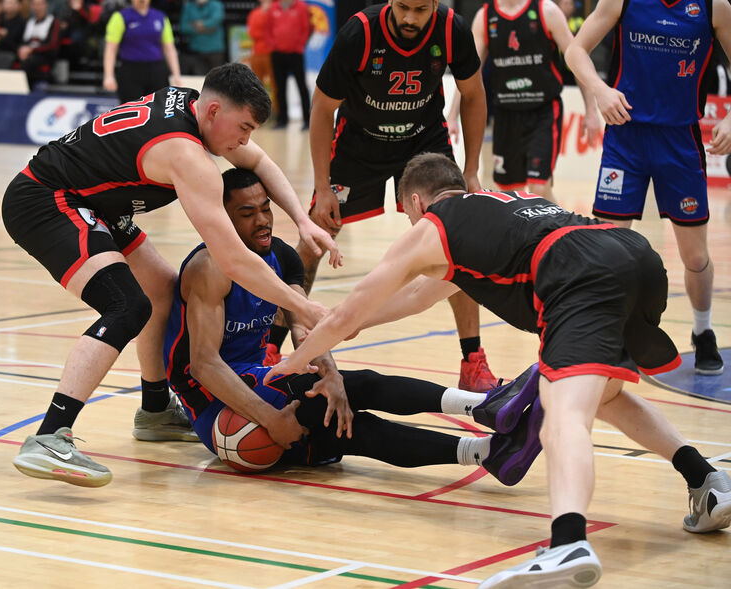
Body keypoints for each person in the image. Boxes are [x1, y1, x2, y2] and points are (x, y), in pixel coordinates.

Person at [265, 152, 731, 588]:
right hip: (632, 256)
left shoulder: (432, 226)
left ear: (416, 202)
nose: (412, 223)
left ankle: (568, 543)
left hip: (576, 275)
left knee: (562, 414)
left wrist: (293, 362)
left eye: (409, 215)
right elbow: (416, 297)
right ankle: (706, 480)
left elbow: (348, 311)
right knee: (604, 397)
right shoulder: (497, 206)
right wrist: (354, 325)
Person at [4, 63, 341, 488]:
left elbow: (258, 160)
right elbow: (234, 261)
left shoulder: (193, 105)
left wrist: (302, 221)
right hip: (46, 201)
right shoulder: (186, 155)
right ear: (215, 111)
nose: (244, 141)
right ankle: (49, 436)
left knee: (162, 290)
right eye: (244, 128)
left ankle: (155, 410)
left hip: (94, 203)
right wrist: (302, 306)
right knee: (127, 305)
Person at [165, 166, 544, 485]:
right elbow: (204, 365)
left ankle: (486, 448)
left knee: (349, 421)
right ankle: (483, 409)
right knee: (355, 395)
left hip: (256, 380)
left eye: (266, 209)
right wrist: (270, 420)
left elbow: (305, 327)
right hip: (214, 404)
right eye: (247, 214)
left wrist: (330, 373)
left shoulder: (280, 255)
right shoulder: (209, 268)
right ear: (222, 219)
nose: (263, 220)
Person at [279, 0, 497, 393]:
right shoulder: (359, 33)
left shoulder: (451, 30)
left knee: (458, 239)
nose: (410, 18)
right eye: (402, 7)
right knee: (314, 239)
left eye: (420, 9)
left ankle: (473, 361)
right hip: (358, 142)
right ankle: (268, 345)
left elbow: (474, 95)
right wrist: (323, 186)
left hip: (423, 139)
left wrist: (470, 170)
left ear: (435, 4)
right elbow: (322, 108)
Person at [565, 0, 731, 376]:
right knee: (607, 248)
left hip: (680, 141)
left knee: (695, 256)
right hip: (626, 138)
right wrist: (599, 90)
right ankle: (607, 335)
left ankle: (703, 331)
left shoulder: (713, 7)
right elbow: (575, 50)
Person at [448, 0, 600, 199]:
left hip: (543, 112)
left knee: (539, 188)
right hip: (505, 114)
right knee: (509, 193)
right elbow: (469, 74)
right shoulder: (484, 17)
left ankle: (554, 220)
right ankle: (541, 218)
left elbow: (578, 61)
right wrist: (452, 116)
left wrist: (591, 110)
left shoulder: (547, 11)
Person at [103, 0, 182, 103]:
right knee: (131, 107)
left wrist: (176, 74)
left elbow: (169, 48)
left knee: (158, 107)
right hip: (131, 70)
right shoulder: (120, 17)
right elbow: (111, 48)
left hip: (157, 70)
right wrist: (108, 76)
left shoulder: (160, 17)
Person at [267, 0, 312, 128]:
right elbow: (267, 30)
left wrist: (299, 45)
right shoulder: (273, 8)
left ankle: (307, 119)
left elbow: (306, 28)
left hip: (295, 53)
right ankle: (282, 119)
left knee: (301, 85)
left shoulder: (301, 7)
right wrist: (273, 45)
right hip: (277, 53)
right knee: (280, 87)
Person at [17, 0, 61, 86]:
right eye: (35, 4)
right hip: (28, 54)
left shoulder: (53, 22)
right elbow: (23, 41)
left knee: (28, 63)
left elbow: (53, 44)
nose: (37, 7)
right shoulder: (29, 21)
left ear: (46, 5)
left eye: (40, 4)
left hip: (44, 55)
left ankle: (23, 88)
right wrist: (21, 49)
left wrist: (32, 50)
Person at [179, 0, 226, 76]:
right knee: (199, 78)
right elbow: (183, 27)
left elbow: (215, 21)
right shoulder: (188, 6)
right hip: (196, 51)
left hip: (215, 50)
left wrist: (195, 25)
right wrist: (206, 28)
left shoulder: (216, 4)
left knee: (217, 77)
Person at [246, 0, 276, 110]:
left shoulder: (276, 12)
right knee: (257, 85)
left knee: (275, 85)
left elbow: (277, 31)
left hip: (273, 53)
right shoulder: (255, 13)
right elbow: (252, 33)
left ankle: (277, 112)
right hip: (258, 53)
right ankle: (258, 110)